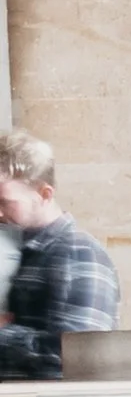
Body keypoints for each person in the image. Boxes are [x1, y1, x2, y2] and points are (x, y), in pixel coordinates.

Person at [0, 134, 119, 380]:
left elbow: (77, 358)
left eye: (5, 202)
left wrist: (4, 333)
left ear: (45, 194)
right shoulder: (22, 250)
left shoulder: (79, 253)